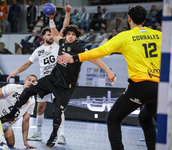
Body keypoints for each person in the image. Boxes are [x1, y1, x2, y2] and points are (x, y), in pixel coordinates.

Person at [0, 4, 116, 149]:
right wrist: (51, 19)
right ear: (66, 35)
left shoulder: (78, 48)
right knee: (28, 91)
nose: (71, 36)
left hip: (66, 87)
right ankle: (11, 115)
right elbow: (55, 34)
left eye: (74, 35)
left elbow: (95, 58)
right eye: (69, 34)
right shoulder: (59, 43)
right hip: (51, 79)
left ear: (76, 37)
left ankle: (55, 134)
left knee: (57, 113)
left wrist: (108, 71)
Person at [56, 5, 161, 150]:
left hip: (141, 86)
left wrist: (74, 58)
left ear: (129, 18)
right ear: (144, 19)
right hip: (160, 87)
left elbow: (101, 51)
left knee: (113, 118)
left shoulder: (125, 36)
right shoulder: (158, 35)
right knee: (145, 118)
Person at [6, 2, 74, 145]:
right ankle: (38, 133)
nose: (51, 36)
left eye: (51, 34)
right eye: (48, 34)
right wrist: (15, 72)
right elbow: (28, 63)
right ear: (43, 36)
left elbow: (64, 28)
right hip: (45, 81)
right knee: (40, 107)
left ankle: (61, 135)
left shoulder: (57, 43)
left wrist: (67, 13)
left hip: (58, 80)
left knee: (59, 108)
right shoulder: (38, 51)